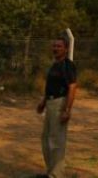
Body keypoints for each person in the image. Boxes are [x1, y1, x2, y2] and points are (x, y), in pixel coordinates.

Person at [36, 33, 77, 178]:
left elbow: (72, 87)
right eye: (54, 46)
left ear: (66, 49)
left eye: (59, 46)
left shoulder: (68, 66)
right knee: (46, 139)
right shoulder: (54, 65)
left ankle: (56, 175)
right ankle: (50, 171)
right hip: (50, 104)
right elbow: (51, 86)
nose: (55, 48)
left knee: (56, 141)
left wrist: (67, 110)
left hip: (60, 103)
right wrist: (43, 101)